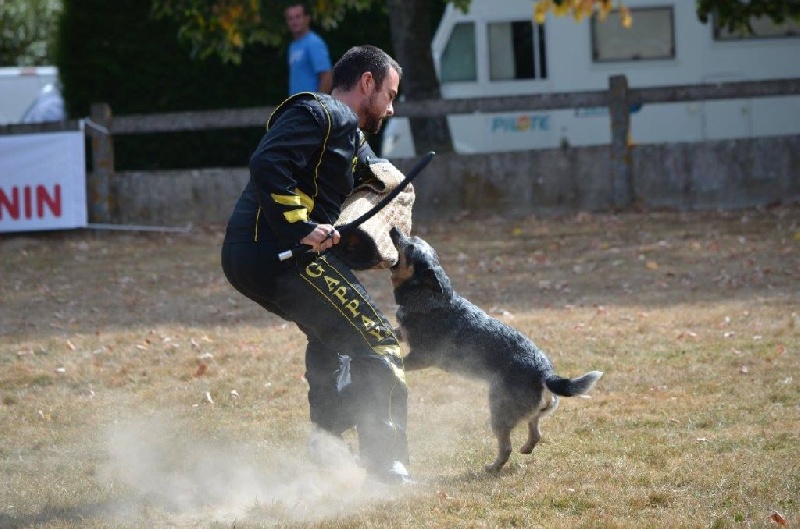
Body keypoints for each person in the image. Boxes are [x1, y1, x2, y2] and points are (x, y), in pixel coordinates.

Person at [221, 45, 410, 485]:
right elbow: (268, 161)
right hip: (279, 252)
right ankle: (385, 468)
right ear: (367, 82)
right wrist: (299, 227)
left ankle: (328, 450)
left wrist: (389, 206)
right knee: (378, 341)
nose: (391, 107)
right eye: (390, 94)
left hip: (254, 256)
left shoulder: (347, 134)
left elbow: (376, 175)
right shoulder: (322, 112)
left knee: (333, 338)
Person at [285, 2, 332, 94]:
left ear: (307, 18)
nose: (294, 21)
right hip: (297, 101)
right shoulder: (292, 46)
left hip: (310, 102)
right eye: (290, 18)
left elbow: (327, 76)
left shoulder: (314, 43)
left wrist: (317, 101)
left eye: (298, 17)